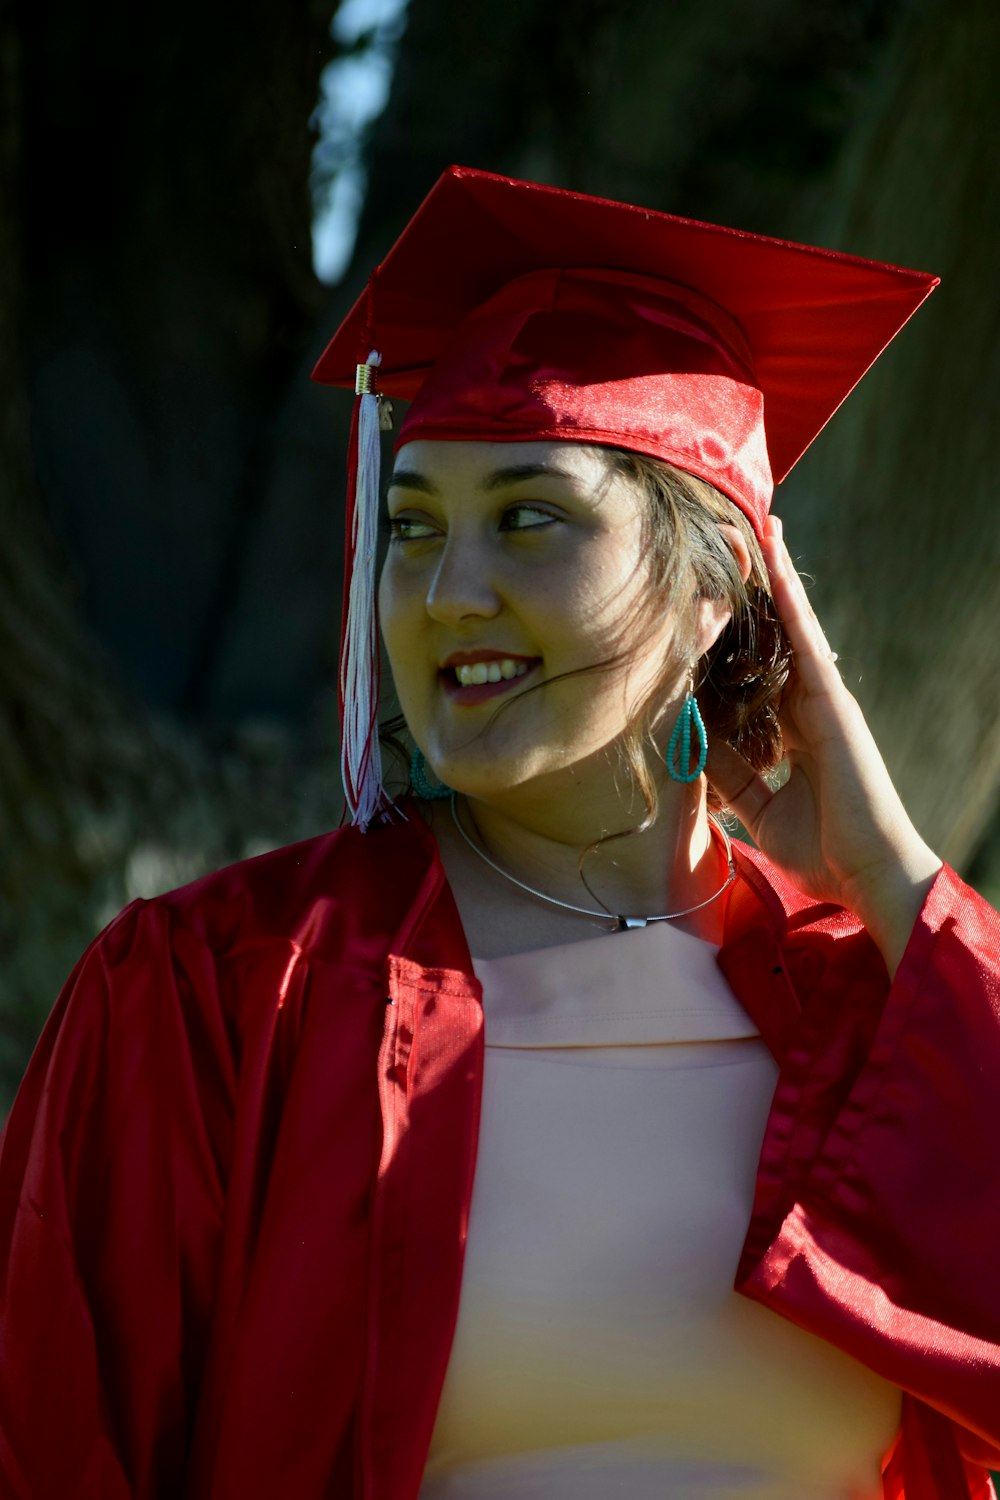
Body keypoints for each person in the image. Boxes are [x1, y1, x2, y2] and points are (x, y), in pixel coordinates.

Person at [0, 166, 998, 1500]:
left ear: (718, 591)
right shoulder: (223, 993)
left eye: (530, 518)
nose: (448, 593)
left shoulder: (874, 1011)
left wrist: (897, 880)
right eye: (413, 530)